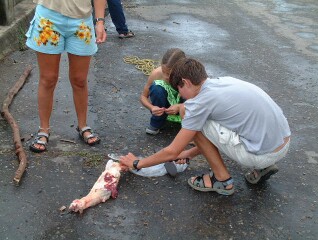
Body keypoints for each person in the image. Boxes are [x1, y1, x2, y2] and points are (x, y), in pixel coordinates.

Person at [120, 58, 291, 196]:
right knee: (208, 120)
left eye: (179, 89)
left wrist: (137, 163)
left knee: (188, 114)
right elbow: (219, 133)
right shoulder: (223, 81)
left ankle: (221, 180)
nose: (179, 95)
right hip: (282, 143)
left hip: (262, 154)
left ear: (186, 82)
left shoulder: (198, 104)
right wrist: (187, 153)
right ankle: (263, 167)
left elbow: (172, 151)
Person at [26, 0, 107, 153]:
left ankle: (83, 126)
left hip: (82, 20)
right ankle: (43, 130)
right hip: (49, 18)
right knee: (48, 78)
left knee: (80, 79)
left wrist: (100, 21)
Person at [140, 48, 186, 135]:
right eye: (164, 72)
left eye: (169, 74)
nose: (165, 76)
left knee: (189, 92)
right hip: (165, 109)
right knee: (156, 87)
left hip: (185, 107)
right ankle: (157, 122)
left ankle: (189, 126)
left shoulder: (189, 75)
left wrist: (180, 106)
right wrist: (152, 107)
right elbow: (143, 96)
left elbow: (200, 101)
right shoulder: (156, 73)